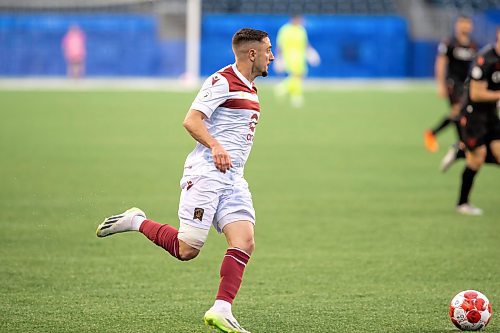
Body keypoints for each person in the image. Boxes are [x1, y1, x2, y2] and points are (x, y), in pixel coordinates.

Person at [96, 28, 274, 333]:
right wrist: (216, 146)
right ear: (252, 53)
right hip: (205, 175)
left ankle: (221, 309)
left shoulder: (251, 88)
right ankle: (135, 221)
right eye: (269, 50)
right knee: (187, 249)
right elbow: (191, 120)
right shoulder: (222, 81)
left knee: (244, 241)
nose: (273, 56)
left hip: (233, 180)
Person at [455, 28, 500, 215]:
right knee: (477, 158)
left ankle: (460, 151)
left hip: (491, 114)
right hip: (474, 116)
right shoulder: (485, 60)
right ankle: (462, 203)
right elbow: (476, 94)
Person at [424, 15, 478, 153]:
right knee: (458, 110)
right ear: (457, 25)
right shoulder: (450, 43)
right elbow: (441, 63)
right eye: (462, 23)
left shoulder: (473, 44)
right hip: (452, 82)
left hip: (465, 84)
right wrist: (440, 84)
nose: (465, 26)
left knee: (459, 113)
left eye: (467, 24)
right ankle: (461, 142)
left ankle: (433, 133)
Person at [275, 15, 320, 108]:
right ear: (294, 19)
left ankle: (284, 87)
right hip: (289, 56)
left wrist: (311, 52)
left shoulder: (301, 30)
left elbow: (305, 43)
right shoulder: (285, 30)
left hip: (300, 56)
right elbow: (279, 44)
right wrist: (279, 58)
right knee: (297, 75)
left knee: (299, 76)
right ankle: (296, 96)